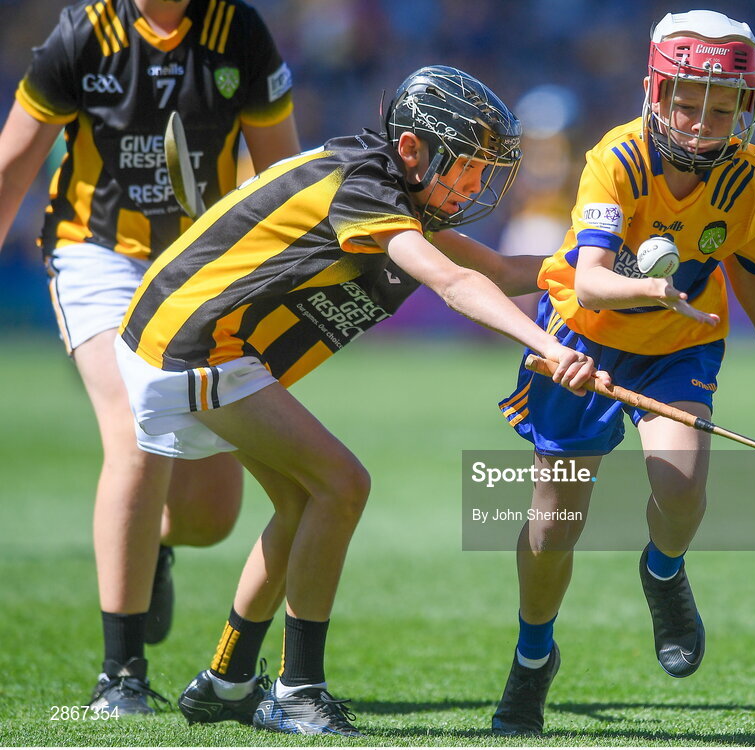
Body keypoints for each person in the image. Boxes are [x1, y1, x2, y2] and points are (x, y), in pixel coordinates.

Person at [114, 65, 601, 736]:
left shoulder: (396, 198)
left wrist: (607, 263)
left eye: (485, 173)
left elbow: (514, 272)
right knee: (342, 486)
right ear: (412, 150)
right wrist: (547, 347)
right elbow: (456, 285)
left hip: (205, 346)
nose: (475, 185)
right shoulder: (368, 188)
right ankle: (296, 691)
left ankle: (227, 681)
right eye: (465, 167)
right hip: (191, 346)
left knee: (301, 501)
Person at [490, 10, 755, 735]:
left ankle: (663, 572)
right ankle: (534, 656)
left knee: (680, 488)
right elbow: (594, 280)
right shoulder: (616, 158)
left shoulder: (748, 174)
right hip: (583, 344)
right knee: (553, 530)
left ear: (746, 106)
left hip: (680, 347)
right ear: (657, 93)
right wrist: (651, 288)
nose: (703, 120)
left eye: (723, 104)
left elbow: (751, 267)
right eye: (687, 100)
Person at [0, 0, 300, 713]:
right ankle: (121, 673)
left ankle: (155, 541)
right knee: (137, 429)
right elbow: (13, 161)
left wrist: (276, 286)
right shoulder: (82, 34)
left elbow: (283, 174)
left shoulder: (239, 33)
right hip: (97, 256)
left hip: (202, 270)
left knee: (210, 516)